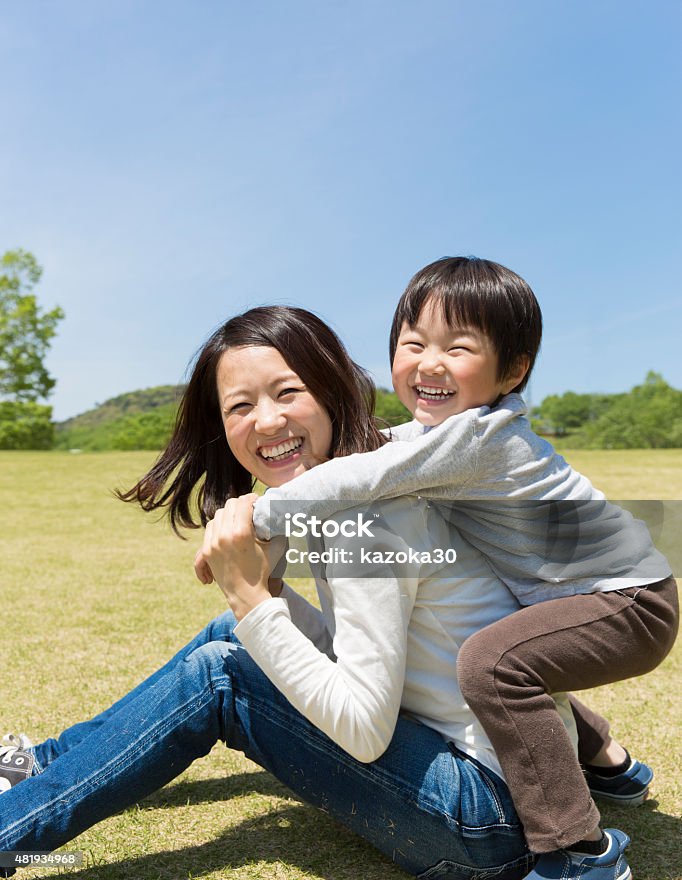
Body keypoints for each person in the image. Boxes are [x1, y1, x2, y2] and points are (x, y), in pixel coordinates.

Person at [2, 303, 592, 880]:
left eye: (288, 393)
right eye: (240, 406)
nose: (265, 422)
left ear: (333, 390)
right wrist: (263, 596)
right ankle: (38, 766)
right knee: (232, 639)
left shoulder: (371, 517)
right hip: (489, 780)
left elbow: (364, 731)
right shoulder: (349, 489)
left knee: (223, 673)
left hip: (492, 820)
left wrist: (254, 600)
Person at [248, 259, 679, 880]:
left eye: (459, 347)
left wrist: (267, 515)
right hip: (606, 591)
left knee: (495, 664)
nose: (429, 362)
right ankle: (611, 764)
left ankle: (580, 853)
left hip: (628, 603)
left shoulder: (484, 439)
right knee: (515, 641)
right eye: (413, 343)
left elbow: (369, 473)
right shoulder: (449, 436)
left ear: (512, 370)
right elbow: (387, 449)